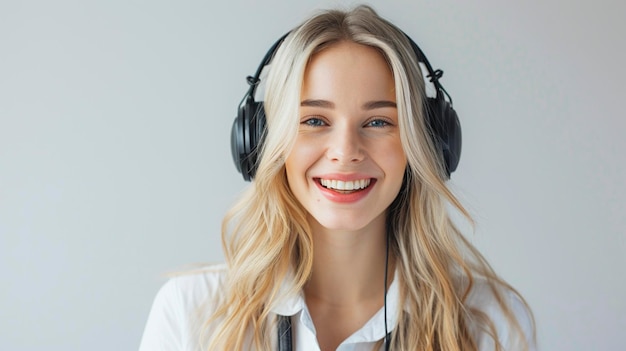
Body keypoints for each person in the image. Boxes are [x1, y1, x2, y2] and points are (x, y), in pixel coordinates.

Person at [139, 5, 536, 351]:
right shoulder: (191, 313)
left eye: (379, 121)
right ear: (265, 142)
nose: (345, 150)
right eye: (314, 120)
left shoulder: (489, 324)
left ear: (428, 144)